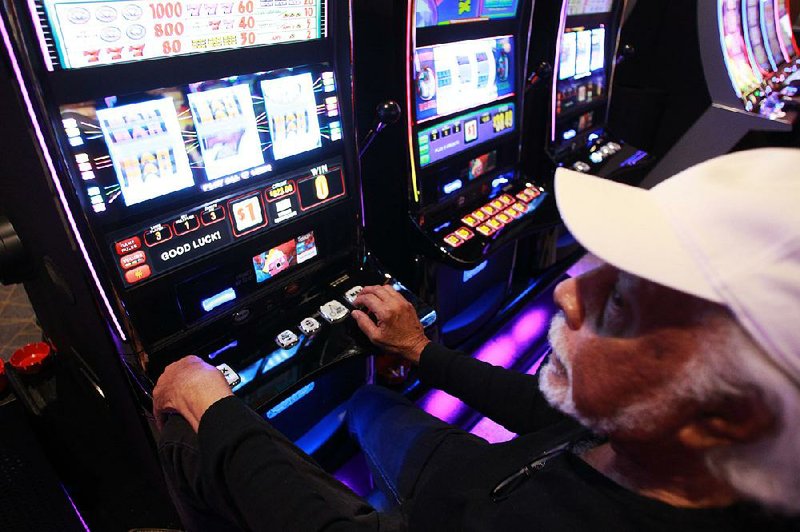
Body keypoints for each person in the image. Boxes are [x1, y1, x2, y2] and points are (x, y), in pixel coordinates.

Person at [153, 148, 800, 531]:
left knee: (191, 430)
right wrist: (422, 352)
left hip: (452, 511)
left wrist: (219, 419)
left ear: (725, 415)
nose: (569, 291)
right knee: (362, 405)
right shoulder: (664, 447)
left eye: (623, 299)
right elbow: (547, 412)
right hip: (481, 475)